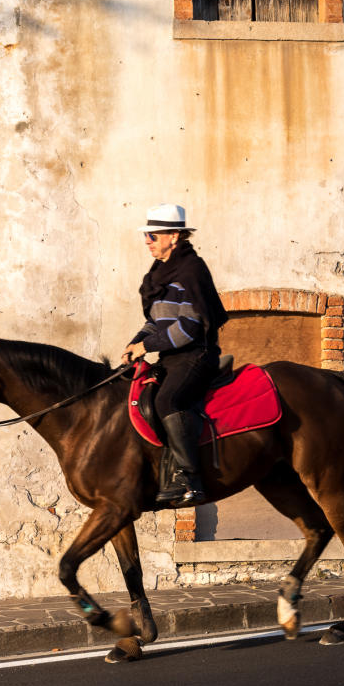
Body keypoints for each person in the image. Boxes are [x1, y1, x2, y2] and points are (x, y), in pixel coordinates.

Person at [120, 204, 228, 505]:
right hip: (171, 357)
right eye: (147, 236)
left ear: (175, 236)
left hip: (196, 354)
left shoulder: (191, 271)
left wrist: (148, 346)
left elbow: (189, 328)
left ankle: (189, 479)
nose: (147, 241)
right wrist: (136, 342)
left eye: (153, 236)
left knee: (168, 399)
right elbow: (156, 322)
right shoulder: (158, 275)